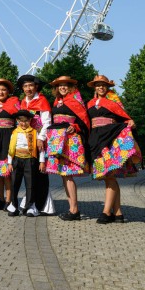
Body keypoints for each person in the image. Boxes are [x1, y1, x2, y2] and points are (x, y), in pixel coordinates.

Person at [87, 74, 142, 224]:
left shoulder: (114, 101)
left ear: (107, 87)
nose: (101, 87)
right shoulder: (90, 103)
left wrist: (129, 122)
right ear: (95, 87)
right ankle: (118, 213)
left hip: (110, 138)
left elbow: (124, 117)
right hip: (95, 139)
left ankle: (106, 212)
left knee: (109, 175)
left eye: (103, 85)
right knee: (106, 177)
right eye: (98, 85)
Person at [46, 76, 90, 221]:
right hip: (57, 140)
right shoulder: (56, 101)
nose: (62, 88)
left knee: (68, 175)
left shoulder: (75, 101)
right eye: (60, 86)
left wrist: (75, 127)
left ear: (70, 87)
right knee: (64, 176)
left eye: (65, 85)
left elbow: (84, 121)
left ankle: (74, 210)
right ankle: (72, 208)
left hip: (70, 141)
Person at [18, 74, 55, 215]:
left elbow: (46, 122)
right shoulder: (23, 102)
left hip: (39, 141)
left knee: (40, 173)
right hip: (26, 141)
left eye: (31, 86)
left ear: (36, 87)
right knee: (29, 174)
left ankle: (39, 206)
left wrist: (41, 138)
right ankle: (29, 202)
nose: (28, 89)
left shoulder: (42, 101)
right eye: (25, 86)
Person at [0, 78, 20, 210]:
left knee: (7, 173)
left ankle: (9, 200)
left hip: (9, 139)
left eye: (3, 90)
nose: (1, 92)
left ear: (8, 91)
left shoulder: (15, 104)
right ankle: (0, 199)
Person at [7, 110, 46, 217]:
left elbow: (41, 149)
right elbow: (11, 148)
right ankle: (13, 206)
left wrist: (42, 161)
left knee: (30, 184)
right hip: (17, 160)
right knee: (14, 183)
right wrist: (10, 163)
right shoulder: (14, 132)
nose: (23, 123)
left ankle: (30, 207)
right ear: (17, 121)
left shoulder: (34, 132)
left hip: (30, 160)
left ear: (30, 120)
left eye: (26, 121)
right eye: (21, 121)